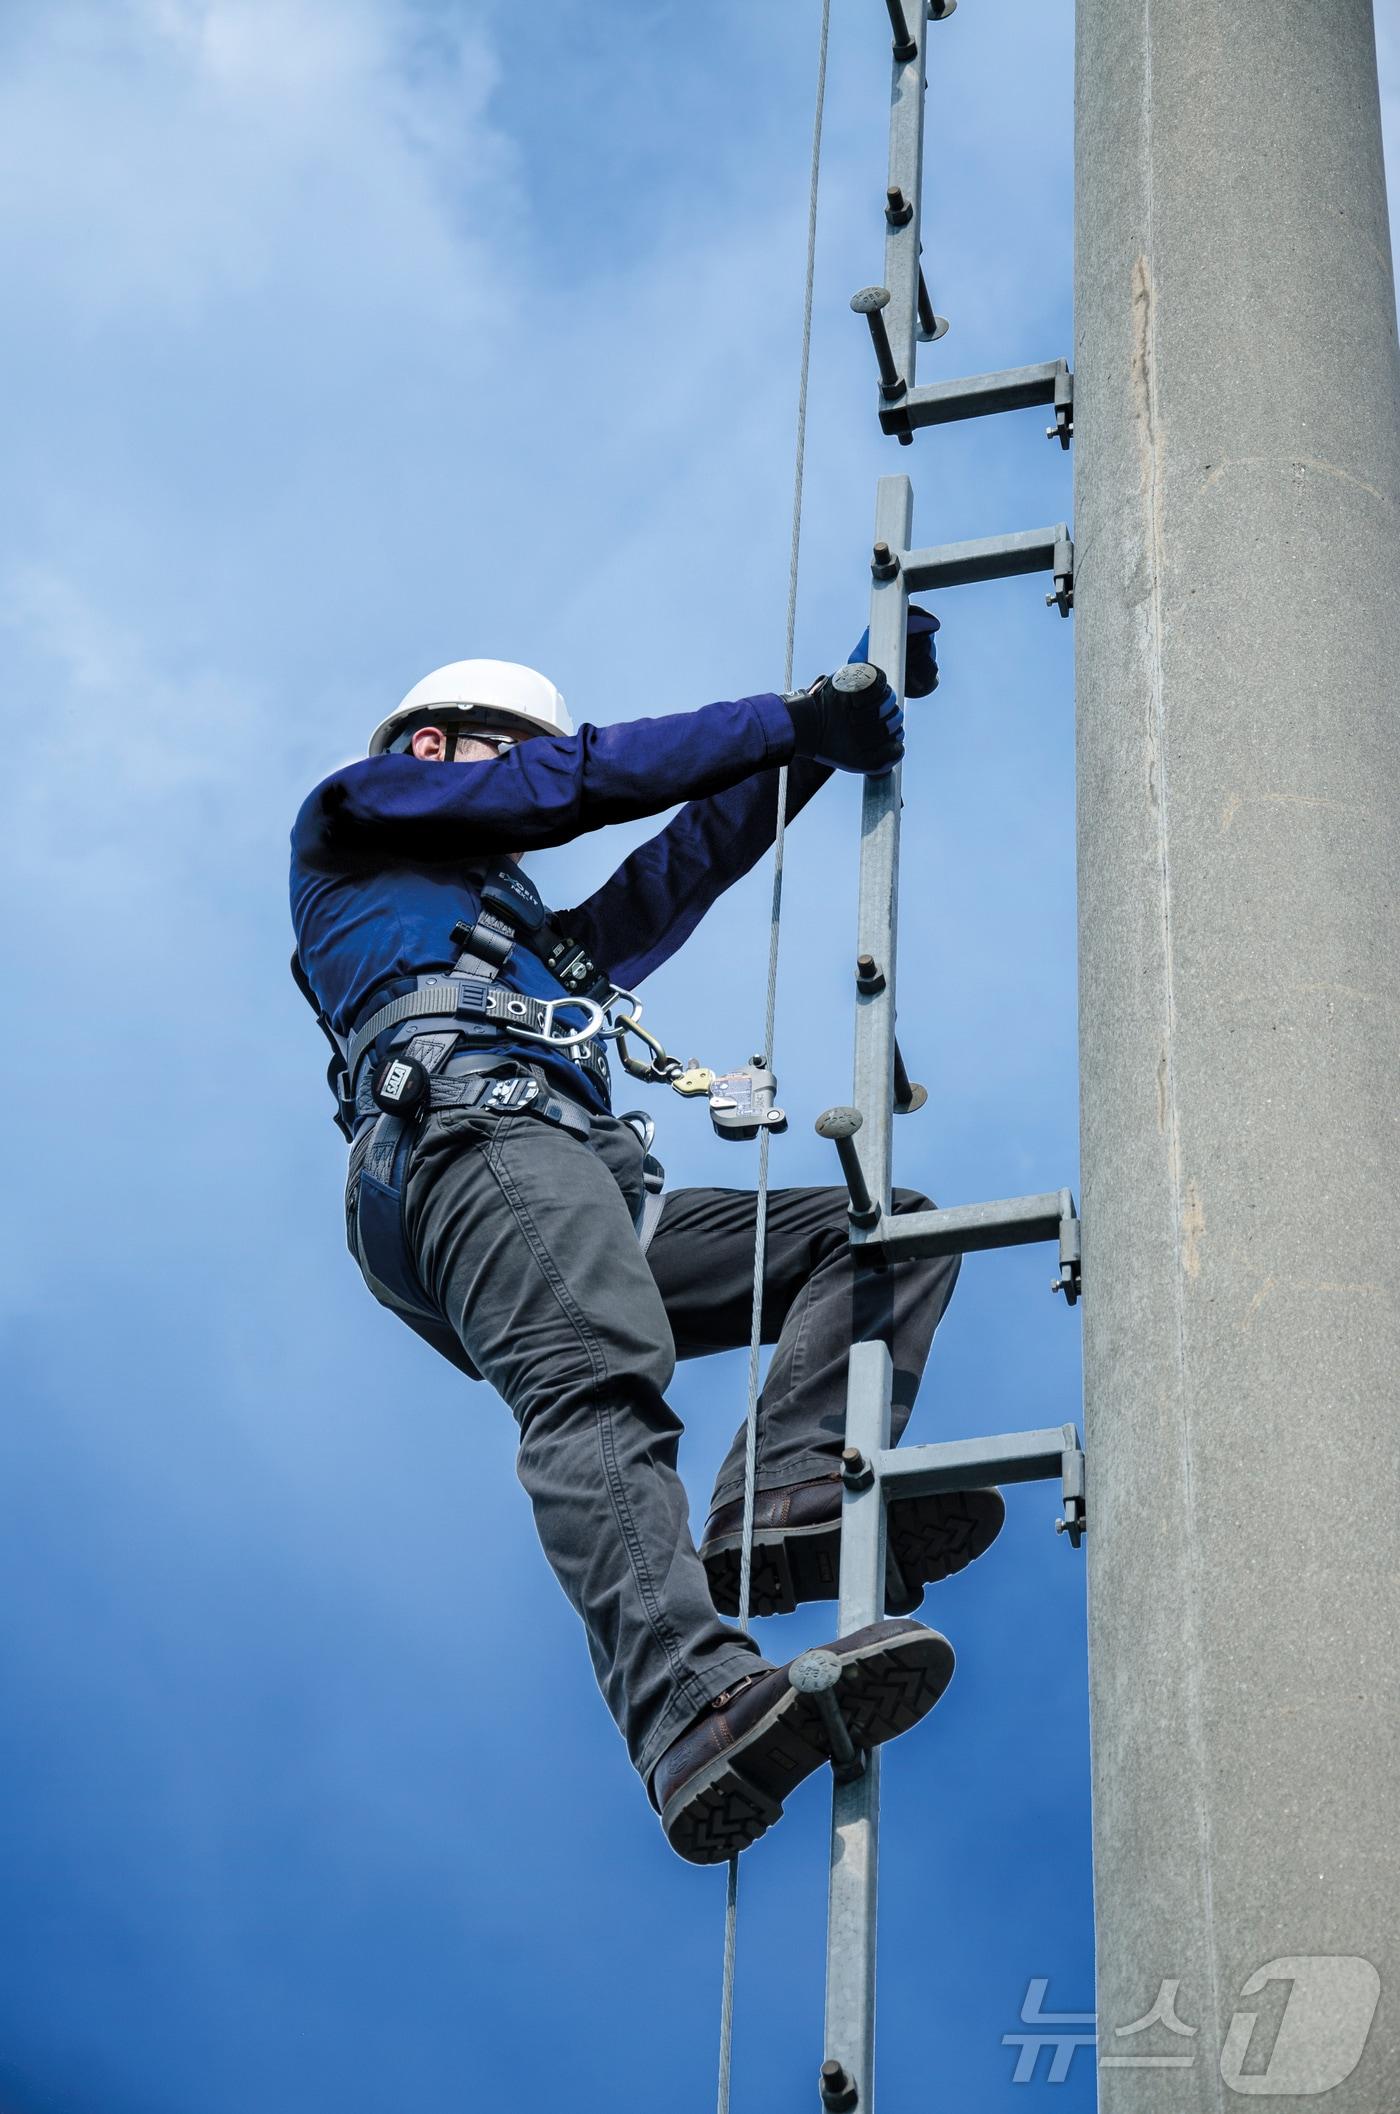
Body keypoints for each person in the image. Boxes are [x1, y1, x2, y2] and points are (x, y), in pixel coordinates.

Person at [289, 621, 1002, 1864]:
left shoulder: (511, 930)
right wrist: (793, 714)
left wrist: (830, 718)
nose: (513, 792)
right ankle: (689, 1707)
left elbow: (675, 870)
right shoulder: (356, 817)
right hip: (471, 1141)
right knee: (595, 1387)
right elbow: (571, 783)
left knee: (873, 1235)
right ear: (431, 745)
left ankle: (781, 1497)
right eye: (503, 758)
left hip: (575, 1176)